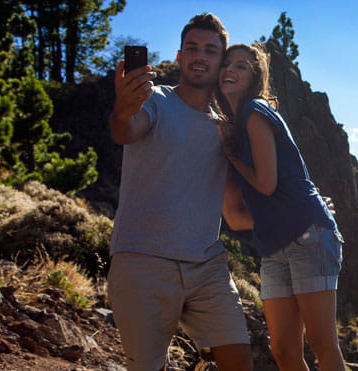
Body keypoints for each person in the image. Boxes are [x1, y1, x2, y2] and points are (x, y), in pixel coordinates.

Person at [107, 13, 253, 370]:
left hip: (206, 265)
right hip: (142, 261)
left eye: (210, 50)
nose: (200, 56)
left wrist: (307, 211)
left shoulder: (226, 127)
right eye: (192, 48)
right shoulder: (154, 101)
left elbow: (237, 205)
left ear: (221, 62)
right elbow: (125, 130)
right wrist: (124, 107)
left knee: (240, 361)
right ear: (178, 56)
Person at [217, 43, 346, 371]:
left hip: (308, 236)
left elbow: (266, 184)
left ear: (254, 77)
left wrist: (230, 154)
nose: (231, 70)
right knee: (285, 352)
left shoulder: (254, 111)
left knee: (322, 345)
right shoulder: (229, 130)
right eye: (227, 64)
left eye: (242, 66)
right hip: (274, 246)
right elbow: (234, 216)